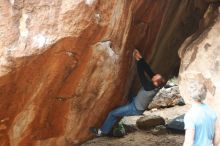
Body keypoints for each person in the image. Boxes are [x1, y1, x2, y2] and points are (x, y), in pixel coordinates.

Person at [90, 49, 165, 137]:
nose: (154, 75)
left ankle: (102, 132)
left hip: (135, 108)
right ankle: (111, 125)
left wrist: (138, 61)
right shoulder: (156, 83)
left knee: (112, 114)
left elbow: (141, 74)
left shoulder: (149, 87)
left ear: (156, 82)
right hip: (136, 101)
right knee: (129, 92)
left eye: (155, 77)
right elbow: (148, 70)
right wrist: (141, 59)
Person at [183, 81, 219, 146]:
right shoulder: (212, 112)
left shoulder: (190, 115)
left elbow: (189, 142)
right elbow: (217, 132)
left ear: (190, 95)